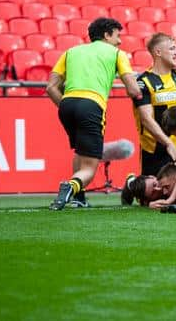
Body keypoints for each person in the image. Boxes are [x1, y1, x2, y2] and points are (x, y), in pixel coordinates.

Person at [46, 17, 141, 210]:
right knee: (90, 166)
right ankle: (70, 187)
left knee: (81, 151)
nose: (120, 41)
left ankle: (78, 198)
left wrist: (65, 104)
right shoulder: (117, 54)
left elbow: (50, 87)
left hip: (67, 104)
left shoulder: (71, 52)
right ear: (107, 35)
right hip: (92, 105)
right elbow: (133, 90)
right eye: (117, 35)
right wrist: (140, 90)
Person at [132, 32, 176, 176]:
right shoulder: (143, 82)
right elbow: (146, 119)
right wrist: (168, 144)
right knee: (152, 195)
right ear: (158, 52)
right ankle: (132, 184)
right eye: (172, 49)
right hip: (155, 150)